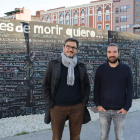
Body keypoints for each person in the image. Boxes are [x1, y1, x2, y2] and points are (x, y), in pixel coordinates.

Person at [42, 38, 91, 140]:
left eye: (73, 47)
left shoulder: (80, 66)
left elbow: (87, 85)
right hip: (57, 107)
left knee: (75, 137)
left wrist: (83, 102)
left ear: (76, 50)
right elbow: (45, 85)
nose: (70, 49)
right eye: (68, 46)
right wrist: (50, 104)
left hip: (77, 107)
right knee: (56, 137)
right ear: (63, 47)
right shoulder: (53, 64)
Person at [94, 43, 134, 140]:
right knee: (104, 136)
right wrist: (98, 105)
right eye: (109, 52)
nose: (112, 54)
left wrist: (126, 107)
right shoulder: (100, 69)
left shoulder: (126, 69)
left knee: (120, 137)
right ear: (106, 54)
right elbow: (96, 88)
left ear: (119, 53)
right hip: (104, 110)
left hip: (120, 110)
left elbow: (130, 90)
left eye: (114, 52)